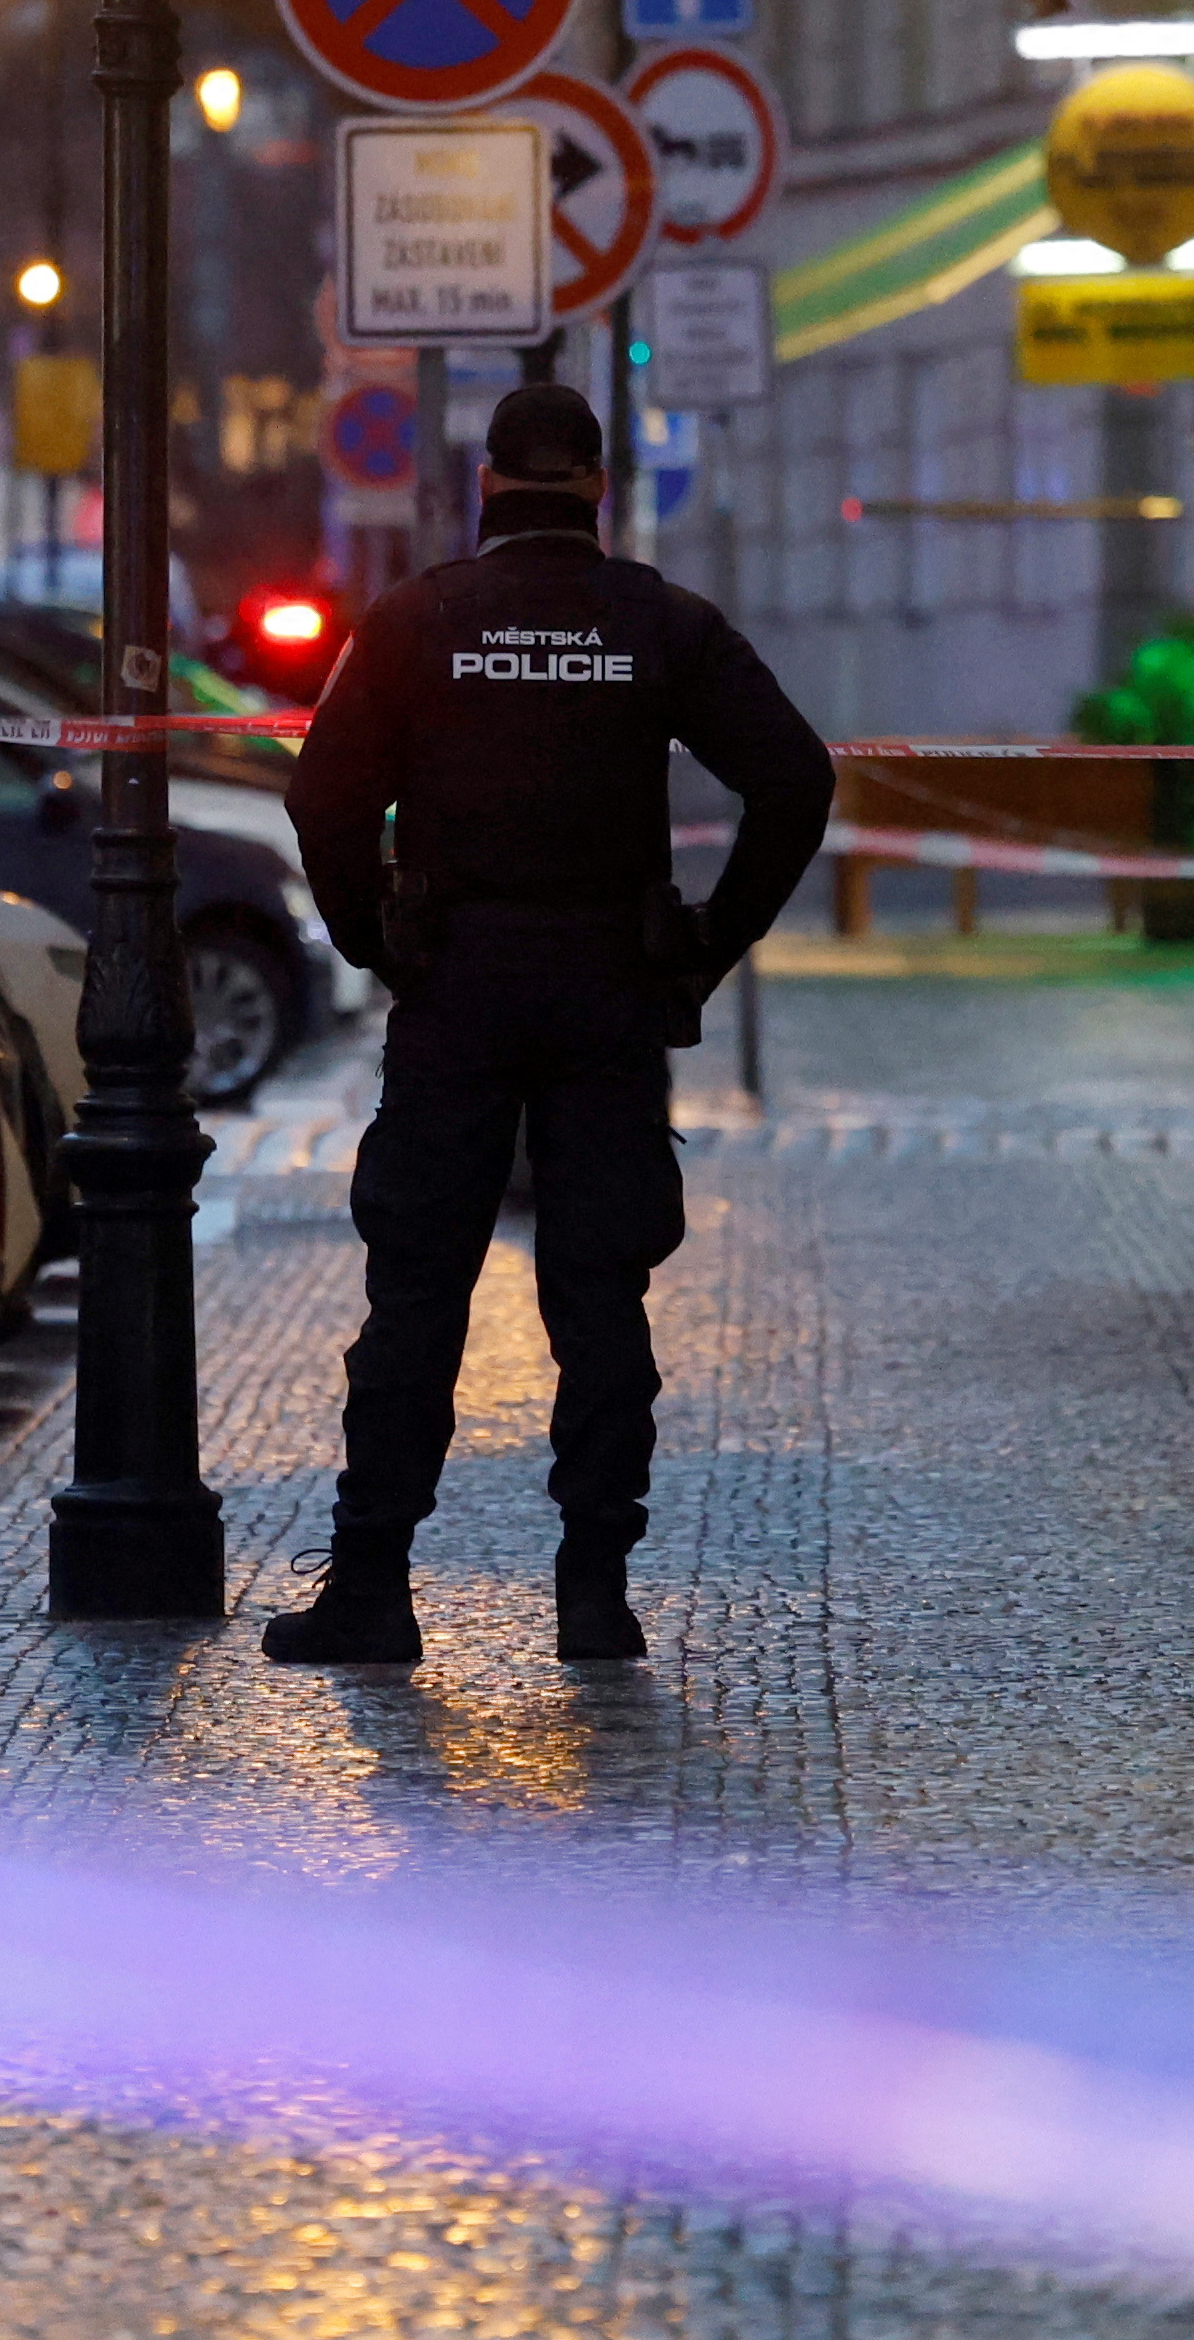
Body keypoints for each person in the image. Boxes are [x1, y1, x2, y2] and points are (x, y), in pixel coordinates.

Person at [266, 376, 833, 1667]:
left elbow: (321, 801)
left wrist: (374, 939)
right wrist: (709, 939)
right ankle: (594, 1590)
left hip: (457, 984)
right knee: (601, 1292)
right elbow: (796, 778)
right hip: (609, 990)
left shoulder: (418, 620)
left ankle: (372, 1586)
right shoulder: (660, 621)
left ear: (486, 483)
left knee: (415, 1292)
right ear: (596, 483)